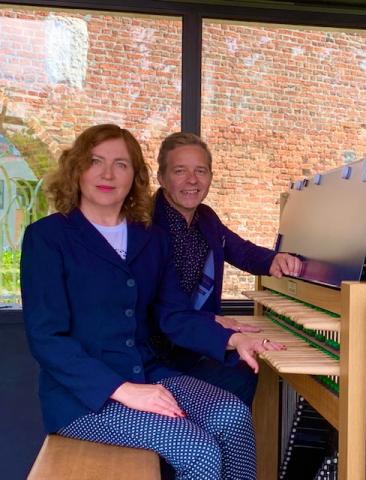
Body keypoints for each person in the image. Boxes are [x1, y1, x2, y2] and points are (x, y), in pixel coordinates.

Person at [20, 124, 285, 480]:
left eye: (122, 164)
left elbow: (174, 313)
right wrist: (125, 391)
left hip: (147, 373)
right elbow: (47, 339)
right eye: (96, 161)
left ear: (136, 176)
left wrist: (234, 339)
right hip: (83, 397)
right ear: (76, 169)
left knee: (233, 416)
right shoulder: (47, 237)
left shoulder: (150, 237)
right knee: (198, 450)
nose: (108, 174)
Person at [153, 132, 302, 407]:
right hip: (155, 355)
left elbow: (241, 250)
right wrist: (213, 323)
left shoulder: (206, 218)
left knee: (242, 371)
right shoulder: (146, 225)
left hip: (192, 344)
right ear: (161, 177)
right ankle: (198, 445)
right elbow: (161, 311)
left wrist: (275, 260)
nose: (192, 180)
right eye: (180, 171)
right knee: (237, 376)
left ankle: (215, 443)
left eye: (201, 170)